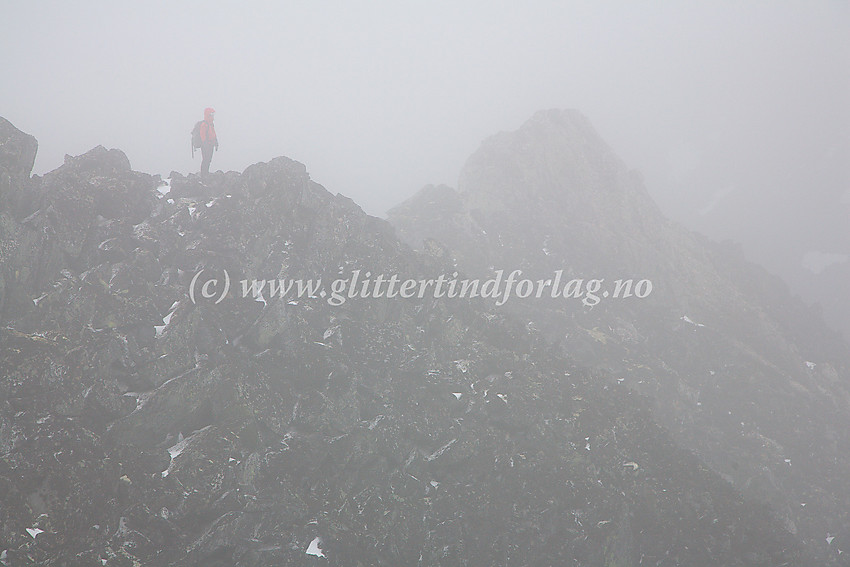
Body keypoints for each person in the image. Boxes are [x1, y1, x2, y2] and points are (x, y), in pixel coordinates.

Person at [199, 107, 218, 176]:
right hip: (206, 145)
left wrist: (216, 142)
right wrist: (205, 144)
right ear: (208, 114)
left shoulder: (211, 124)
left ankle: (205, 173)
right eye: (211, 114)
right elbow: (202, 135)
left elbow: (213, 134)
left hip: (210, 144)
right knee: (205, 160)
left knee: (208, 160)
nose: (213, 115)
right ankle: (204, 174)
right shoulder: (204, 124)